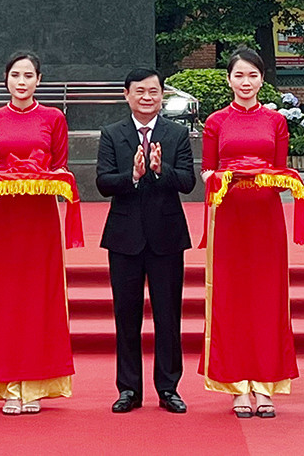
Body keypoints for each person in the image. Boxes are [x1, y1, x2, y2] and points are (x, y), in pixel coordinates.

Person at [0, 52, 77, 414]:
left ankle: (35, 384)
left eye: (28, 75)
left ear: (39, 80)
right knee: (5, 299)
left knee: (40, 296)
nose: (21, 81)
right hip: (4, 218)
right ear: (6, 79)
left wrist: (41, 178)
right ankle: (6, 384)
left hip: (40, 218)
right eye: (15, 74)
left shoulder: (54, 118)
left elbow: (61, 167)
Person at [200, 46, 303, 419]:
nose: (246, 82)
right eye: (239, 75)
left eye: (253, 75)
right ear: (229, 79)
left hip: (265, 217)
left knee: (267, 298)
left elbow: (280, 173)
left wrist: (263, 176)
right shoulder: (216, 122)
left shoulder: (276, 122)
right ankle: (236, 386)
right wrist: (226, 176)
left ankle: (265, 385)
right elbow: (207, 173)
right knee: (231, 298)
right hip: (229, 216)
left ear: (263, 80)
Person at [94, 67, 194, 415]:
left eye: (153, 91)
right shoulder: (112, 134)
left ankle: (168, 388)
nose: (147, 97)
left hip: (166, 237)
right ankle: (129, 389)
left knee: (168, 316)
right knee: (126, 316)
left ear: (162, 95)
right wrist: (133, 175)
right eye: (140, 91)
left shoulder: (177, 134)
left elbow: (187, 181)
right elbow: (103, 182)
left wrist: (158, 170)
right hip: (124, 238)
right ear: (127, 95)